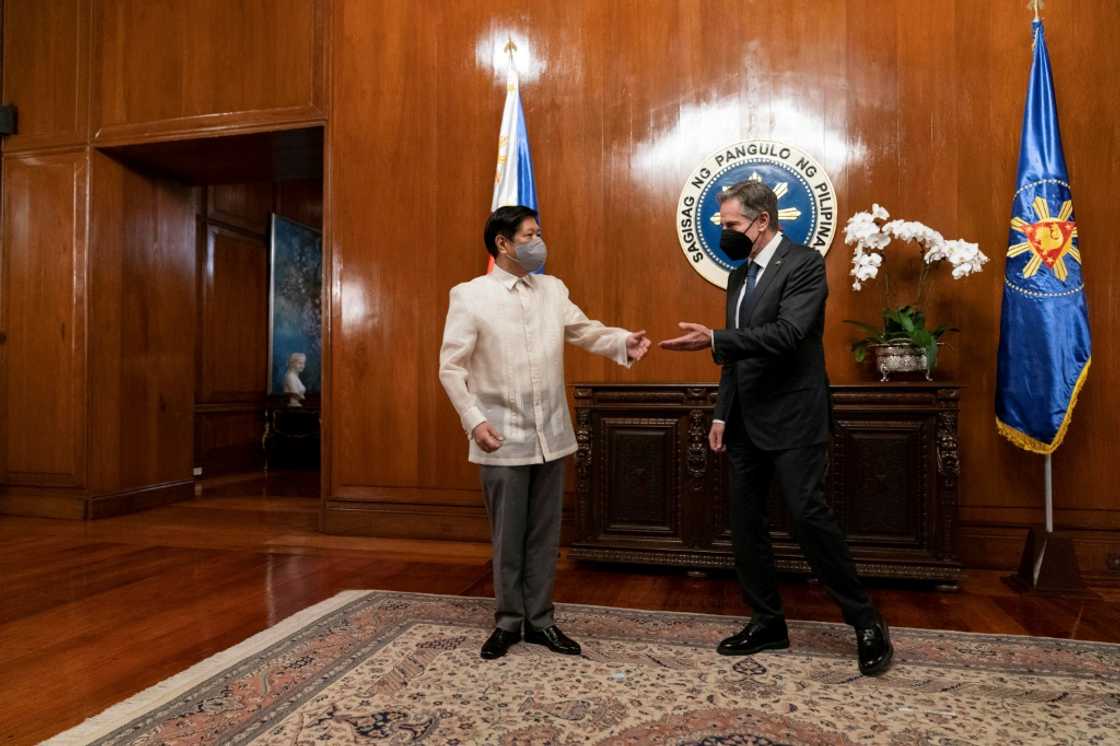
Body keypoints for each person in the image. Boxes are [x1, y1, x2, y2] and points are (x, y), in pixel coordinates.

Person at [660, 180, 893, 676]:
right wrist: (722, 413)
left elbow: (788, 335)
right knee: (745, 525)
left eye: (730, 225)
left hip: (794, 416)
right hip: (744, 420)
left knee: (809, 517)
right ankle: (767, 621)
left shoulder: (805, 264)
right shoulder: (738, 277)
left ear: (761, 221)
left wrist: (716, 338)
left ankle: (865, 619)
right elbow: (736, 358)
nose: (724, 234)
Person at [439, 205, 651, 660]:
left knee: (544, 535)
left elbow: (584, 330)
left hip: (551, 435)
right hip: (500, 435)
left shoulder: (553, 289)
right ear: (503, 243)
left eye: (539, 233)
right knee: (507, 536)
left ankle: (541, 621)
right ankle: (507, 622)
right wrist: (474, 420)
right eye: (531, 235)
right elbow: (451, 369)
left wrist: (621, 342)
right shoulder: (470, 295)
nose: (539, 242)